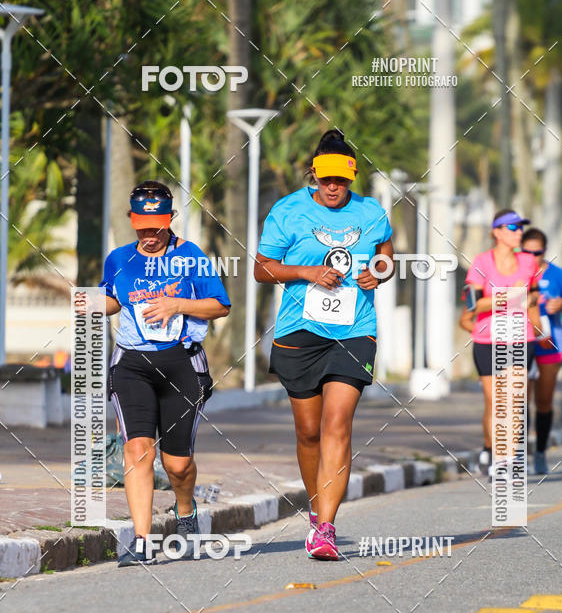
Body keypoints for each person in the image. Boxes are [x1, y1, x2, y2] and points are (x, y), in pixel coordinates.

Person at [255, 130, 394, 560]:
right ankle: (317, 511)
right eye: (326, 180)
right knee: (309, 432)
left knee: (338, 424)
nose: (334, 188)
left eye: (342, 181)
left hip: (354, 331)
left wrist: (379, 271)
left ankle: (327, 528)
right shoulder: (288, 211)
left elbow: (387, 256)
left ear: (352, 179)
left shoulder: (371, 212)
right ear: (313, 175)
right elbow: (262, 270)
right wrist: (306, 272)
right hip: (299, 332)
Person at [100, 181, 231, 566]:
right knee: (138, 450)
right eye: (142, 227)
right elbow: (114, 299)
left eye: (157, 226)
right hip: (131, 366)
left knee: (177, 464)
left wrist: (177, 304)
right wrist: (88, 300)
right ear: (131, 221)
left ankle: (185, 511)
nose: (150, 235)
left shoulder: (191, 256)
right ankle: (141, 540)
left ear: (170, 219)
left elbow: (219, 306)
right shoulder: (118, 258)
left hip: (181, 365)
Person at [465, 209, 543, 480]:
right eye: (512, 228)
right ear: (496, 232)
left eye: (521, 227)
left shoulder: (528, 262)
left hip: (521, 337)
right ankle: (492, 450)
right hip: (488, 339)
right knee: (495, 401)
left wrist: (529, 299)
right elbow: (474, 305)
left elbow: (533, 294)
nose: (519, 232)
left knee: (515, 399)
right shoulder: (481, 262)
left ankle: (507, 459)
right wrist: (510, 296)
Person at [522, 228, 562, 474]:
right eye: (528, 252)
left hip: (550, 344)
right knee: (519, 402)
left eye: (538, 252)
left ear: (545, 252)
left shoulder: (557, 275)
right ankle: (519, 454)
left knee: (544, 401)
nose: (533, 257)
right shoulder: (515, 274)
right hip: (522, 342)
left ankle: (540, 453)